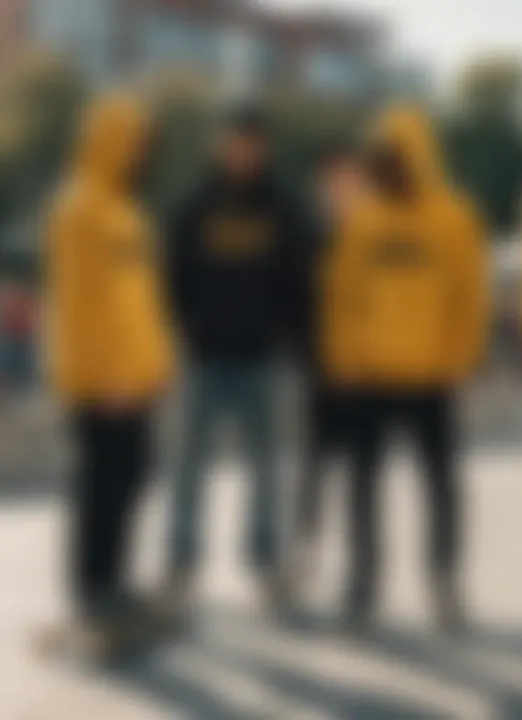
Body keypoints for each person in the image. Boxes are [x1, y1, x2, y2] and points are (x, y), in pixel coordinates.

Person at [322, 107, 489, 631]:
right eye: (381, 164)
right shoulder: (363, 219)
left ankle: (444, 582)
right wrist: (343, 359)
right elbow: (342, 296)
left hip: (432, 377)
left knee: (441, 486)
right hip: (370, 376)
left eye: (396, 162)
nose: (387, 172)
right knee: (362, 485)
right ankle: (362, 582)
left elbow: (471, 297)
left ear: (418, 159)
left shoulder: (455, 217)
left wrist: (460, 360)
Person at [45, 92, 174, 661]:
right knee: (101, 487)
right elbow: (78, 307)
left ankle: (116, 584)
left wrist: (154, 365)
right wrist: (105, 379)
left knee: (132, 479)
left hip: (136, 380)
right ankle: (92, 592)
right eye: (137, 144)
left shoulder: (128, 213)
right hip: (103, 384)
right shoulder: (79, 210)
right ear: (113, 145)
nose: (144, 155)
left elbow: (140, 302)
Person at [165, 106, 307, 618]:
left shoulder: (284, 209)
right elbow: (172, 274)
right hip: (204, 359)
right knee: (187, 469)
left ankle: (266, 563)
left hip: (264, 361)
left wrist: (289, 337)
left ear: (264, 148)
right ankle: (181, 564)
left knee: (268, 471)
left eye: (252, 142)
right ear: (220, 144)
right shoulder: (195, 207)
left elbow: (300, 279)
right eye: (235, 141)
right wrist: (185, 331)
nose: (243, 151)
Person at [291, 142, 368, 590]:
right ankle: (305, 551)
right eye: (332, 179)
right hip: (321, 370)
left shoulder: (375, 232)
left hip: (366, 373)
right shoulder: (309, 236)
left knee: (362, 472)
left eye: (348, 177)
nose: (340, 187)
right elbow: (300, 302)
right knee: (314, 465)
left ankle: (361, 567)